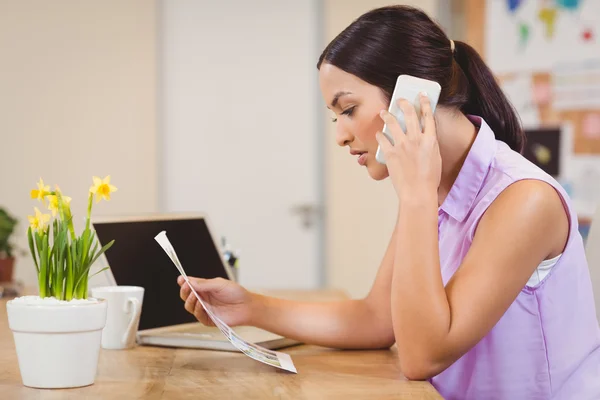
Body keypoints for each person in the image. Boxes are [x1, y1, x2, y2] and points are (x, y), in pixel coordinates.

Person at [178, 5, 600, 399]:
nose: (340, 135)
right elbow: (378, 320)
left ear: (413, 97)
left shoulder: (524, 200)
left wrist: (416, 195)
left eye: (348, 109)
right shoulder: (434, 186)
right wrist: (251, 306)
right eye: (334, 116)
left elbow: (422, 356)